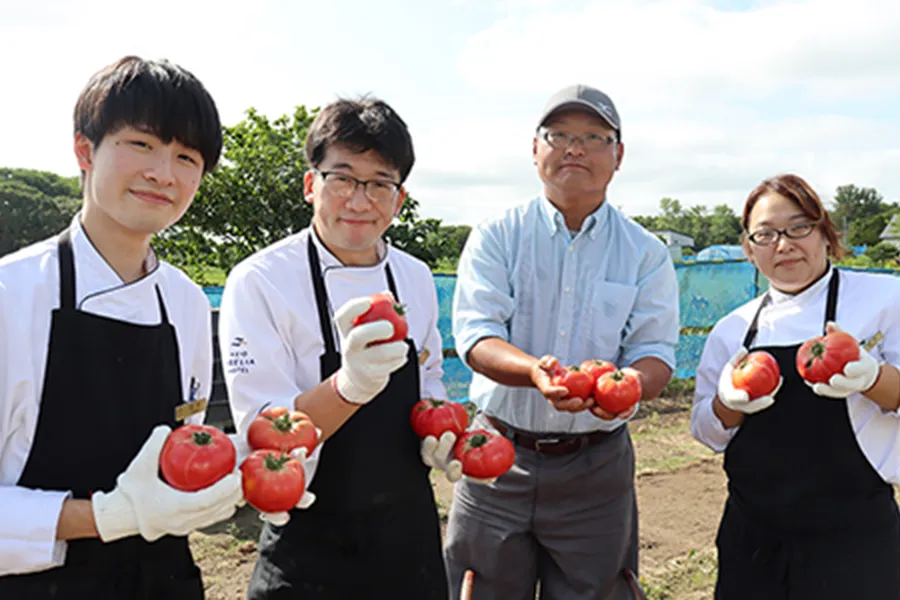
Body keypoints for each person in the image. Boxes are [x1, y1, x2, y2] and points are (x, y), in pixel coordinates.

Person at [0, 56, 244, 598]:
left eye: (186, 157)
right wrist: (108, 516)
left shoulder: (184, 301)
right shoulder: (11, 296)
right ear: (85, 150)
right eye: (142, 144)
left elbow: (186, 445)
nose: (164, 173)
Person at [445, 84, 679, 599]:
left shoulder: (645, 253)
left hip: (597, 468)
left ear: (618, 155)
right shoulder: (497, 236)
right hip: (495, 457)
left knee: (596, 591)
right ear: (535, 149)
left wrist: (623, 385)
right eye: (560, 135)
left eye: (594, 137)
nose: (575, 148)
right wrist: (534, 373)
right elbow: (477, 335)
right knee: (479, 590)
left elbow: (656, 353)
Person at [218, 96, 456, 599]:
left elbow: (430, 378)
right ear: (311, 185)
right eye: (342, 178)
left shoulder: (414, 277)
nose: (359, 200)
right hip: (308, 546)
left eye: (380, 183)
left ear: (399, 198)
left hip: (408, 544)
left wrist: (442, 433)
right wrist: (350, 386)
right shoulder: (261, 280)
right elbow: (266, 432)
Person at [690, 173, 900, 599]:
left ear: (825, 232)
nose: (783, 244)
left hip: (856, 535)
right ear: (748, 249)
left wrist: (872, 377)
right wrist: (728, 403)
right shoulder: (732, 329)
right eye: (765, 234)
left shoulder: (885, 299)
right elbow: (706, 432)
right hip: (754, 537)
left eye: (799, 227)